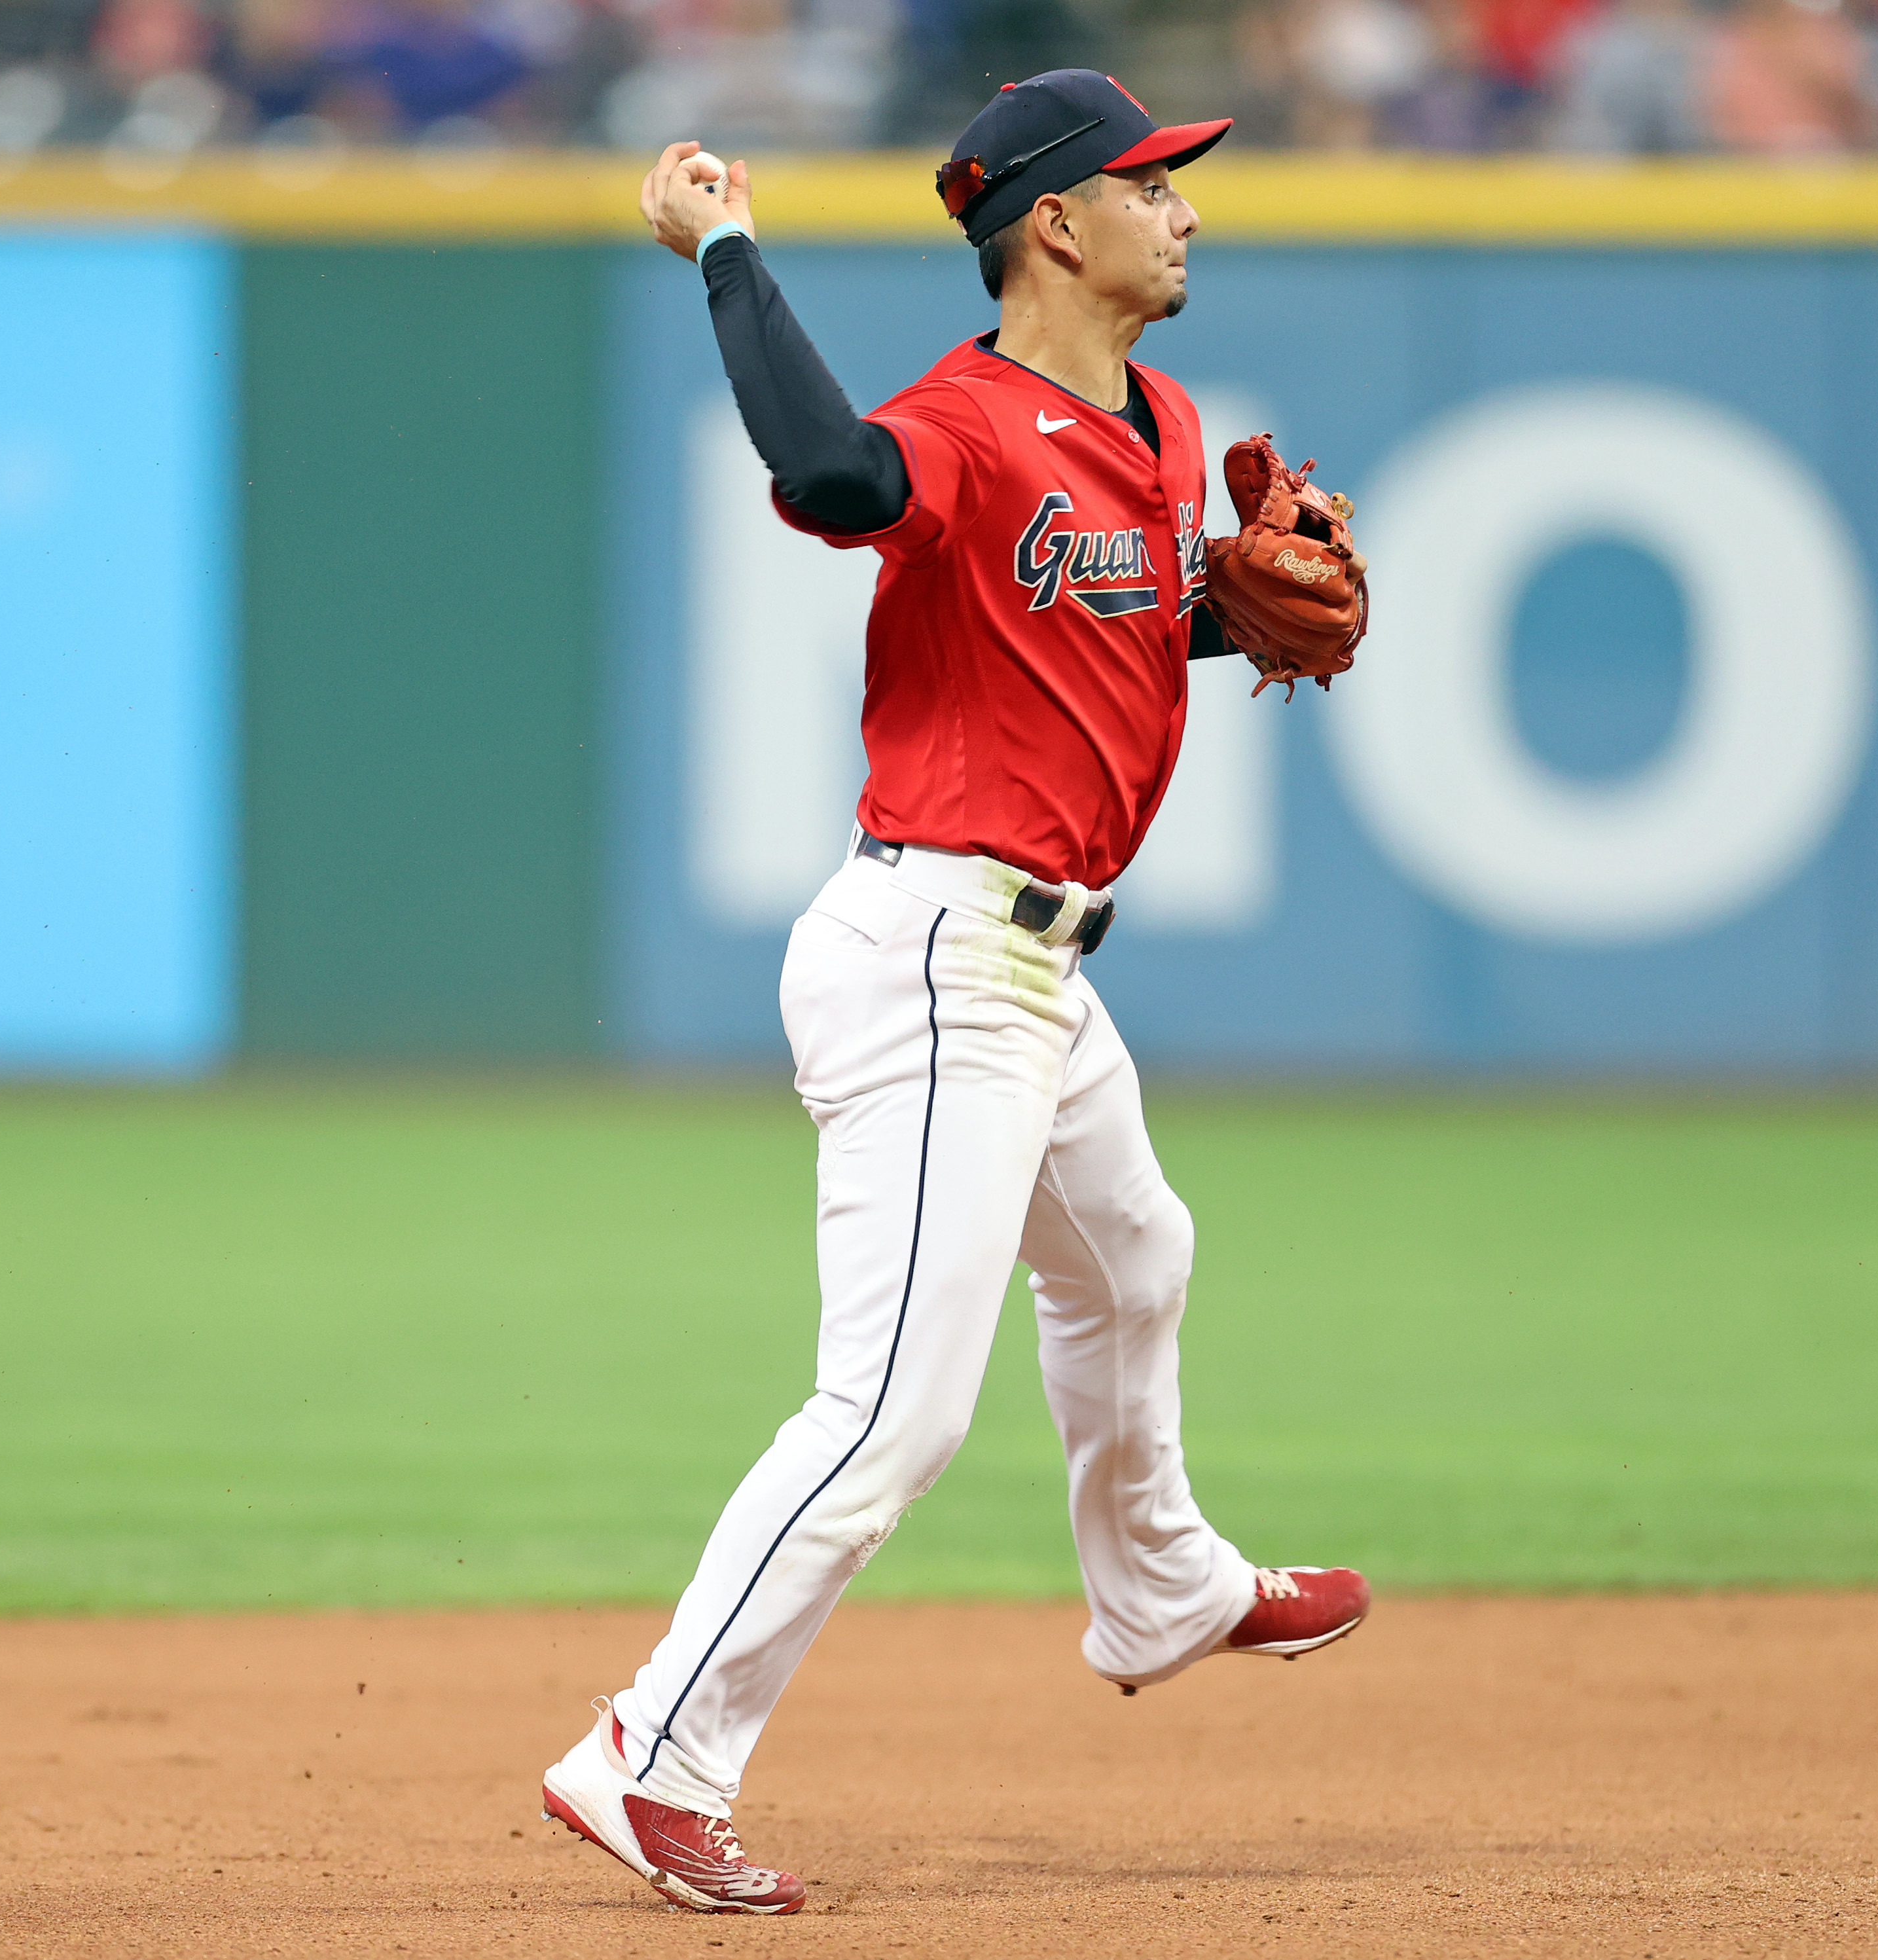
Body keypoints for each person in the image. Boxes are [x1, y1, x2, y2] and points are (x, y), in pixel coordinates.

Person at [539, 69, 1373, 1917]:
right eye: (1154, 185)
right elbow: (830, 477)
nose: (1187, 209)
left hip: (1039, 967)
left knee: (1135, 1254)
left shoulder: (1156, 418)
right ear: (1056, 225)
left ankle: (1156, 1580)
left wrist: (1238, 600)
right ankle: (646, 1751)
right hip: (933, 955)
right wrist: (730, 250)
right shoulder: (967, 421)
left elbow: (1122, 611)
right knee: (891, 1415)